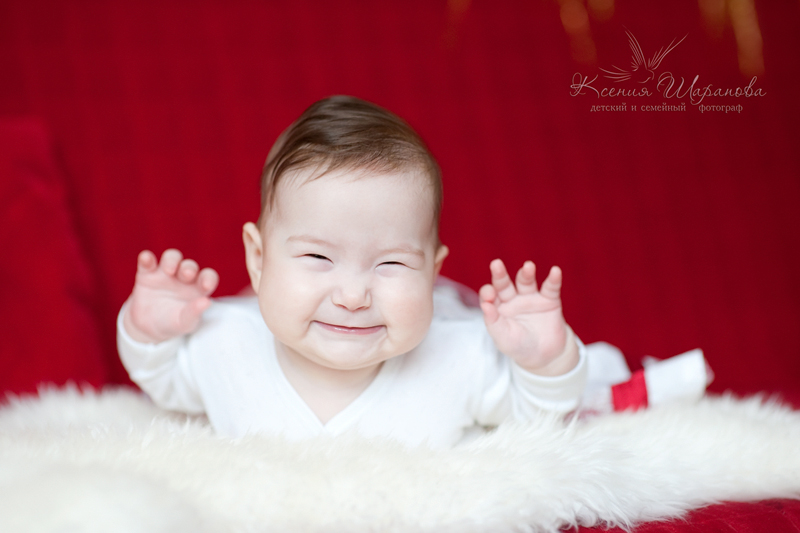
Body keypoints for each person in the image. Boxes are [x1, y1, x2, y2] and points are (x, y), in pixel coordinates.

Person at [118, 96, 705, 449]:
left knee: (589, 391)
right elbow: (161, 376)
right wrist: (147, 329)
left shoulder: (462, 356)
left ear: (432, 270)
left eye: (393, 263)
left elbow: (537, 415)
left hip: (462, 320)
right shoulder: (224, 342)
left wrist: (543, 361)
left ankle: (630, 380)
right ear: (257, 257)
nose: (353, 295)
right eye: (318, 258)